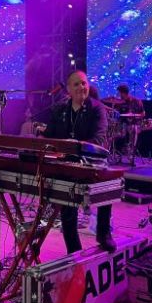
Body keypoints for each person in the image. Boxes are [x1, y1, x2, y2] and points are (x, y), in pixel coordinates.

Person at [43, 71, 116, 254]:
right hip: (67, 162)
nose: (81, 87)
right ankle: (73, 249)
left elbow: (99, 139)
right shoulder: (60, 109)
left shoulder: (97, 108)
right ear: (68, 89)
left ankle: (103, 233)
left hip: (93, 160)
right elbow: (50, 136)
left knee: (107, 184)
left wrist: (75, 146)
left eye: (84, 83)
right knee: (67, 202)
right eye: (76, 84)